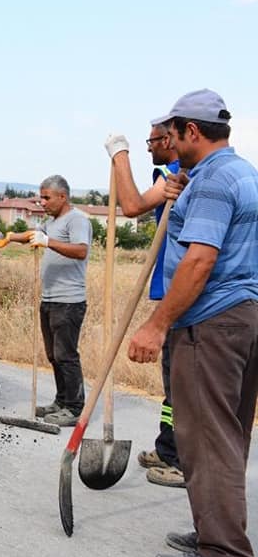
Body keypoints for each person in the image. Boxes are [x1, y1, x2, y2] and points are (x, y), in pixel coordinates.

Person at [127, 89, 258, 557]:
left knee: (207, 441)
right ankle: (214, 533)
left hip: (210, 323)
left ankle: (223, 554)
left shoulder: (213, 183)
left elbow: (200, 260)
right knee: (228, 438)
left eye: (173, 133)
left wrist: (156, 325)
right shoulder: (242, 172)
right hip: (243, 316)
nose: (167, 141)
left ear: (193, 131)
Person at [104, 125, 184, 488]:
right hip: (175, 290)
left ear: (168, 141)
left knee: (183, 381)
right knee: (172, 380)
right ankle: (169, 448)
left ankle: (183, 458)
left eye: (151, 142)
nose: (149, 148)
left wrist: (120, 156)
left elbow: (133, 205)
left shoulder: (175, 172)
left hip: (185, 291)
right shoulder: (178, 174)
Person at [9, 175, 92, 426]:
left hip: (69, 301)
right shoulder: (51, 221)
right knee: (53, 355)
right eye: (40, 197)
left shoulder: (77, 219)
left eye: (46, 197)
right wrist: (11, 237)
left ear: (62, 197)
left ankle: (75, 408)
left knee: (66, 354)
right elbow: (33, 234)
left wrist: (48, 242)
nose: (42, 202)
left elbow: (81, 250)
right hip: (50, 299)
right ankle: (61, 400)